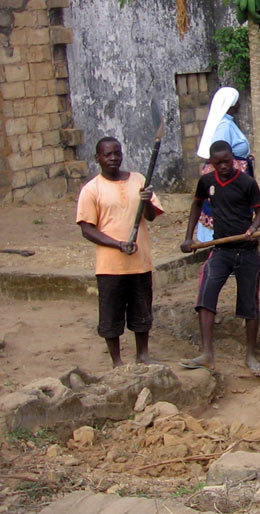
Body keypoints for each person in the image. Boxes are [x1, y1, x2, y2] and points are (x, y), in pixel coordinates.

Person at [180, 141, 260, 376]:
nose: (224, 166)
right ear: (212, 163)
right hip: (221, 250)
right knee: (206, 296)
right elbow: (196, 206)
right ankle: (207, 354)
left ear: (233, 159)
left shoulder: (247, 183)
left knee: (249, 303)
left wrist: (253, 228)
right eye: (218, 163)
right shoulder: (207, 182)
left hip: (247, 251)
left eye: (227, 161)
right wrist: (188, 237)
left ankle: (251, 355)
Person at [76, 137, 164, 368]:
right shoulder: (92, 189)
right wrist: (118, 245)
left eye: (117, 153)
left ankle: (142, 355)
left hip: (140, 262)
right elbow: (87, 229)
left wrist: (147, 201)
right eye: (108, 154)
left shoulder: (139, 180)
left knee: (142, 312)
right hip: (110, 266)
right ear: (98, 158)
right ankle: (117, 362)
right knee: (111, 315)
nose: (113, 158)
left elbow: (151, 216)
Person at [195, 87, 253, 243]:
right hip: (228, 176)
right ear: (232, 105)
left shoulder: (228, 123)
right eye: (237, 101)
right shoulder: (224, 126)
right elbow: (220, 154)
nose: (240, 104)